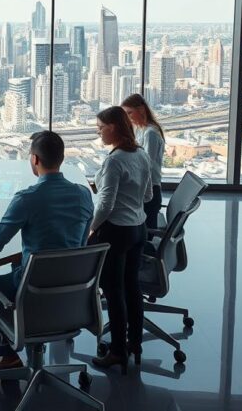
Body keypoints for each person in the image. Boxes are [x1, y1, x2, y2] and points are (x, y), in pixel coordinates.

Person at [0, 131, 94, 371]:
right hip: (72, 288)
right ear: (61, 158)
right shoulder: (83, 194)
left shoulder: (27, 199)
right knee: (18, 267)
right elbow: (81, 245)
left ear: (35, 160)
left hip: (33, 285)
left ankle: (8, 355)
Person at [89, 106, 153, 373]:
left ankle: (117, 351)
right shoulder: (141, 154)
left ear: (113, 127)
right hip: (139, 228)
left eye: (100, 128)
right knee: (132, 287)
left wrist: (91, 230)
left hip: (117, 231)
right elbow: (148, 195)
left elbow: (105, 204)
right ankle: (134, 344)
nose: (99, 133)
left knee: (113, 291)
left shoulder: (115, 161)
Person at [122, 93, 165, 229]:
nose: (128, 118)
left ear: (141, 110)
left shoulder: (150, 133)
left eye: (130, 113)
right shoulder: (141, 130)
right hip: (146, 189)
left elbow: (146, 165)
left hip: (150, 193)